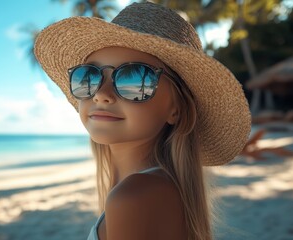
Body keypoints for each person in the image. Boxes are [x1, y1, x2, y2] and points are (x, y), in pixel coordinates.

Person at [34, 1, 251, 240]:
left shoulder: (133, 196)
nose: (101, 94)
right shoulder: (156, 188)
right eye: (89, 76)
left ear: (176, 109)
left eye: (135, 79)